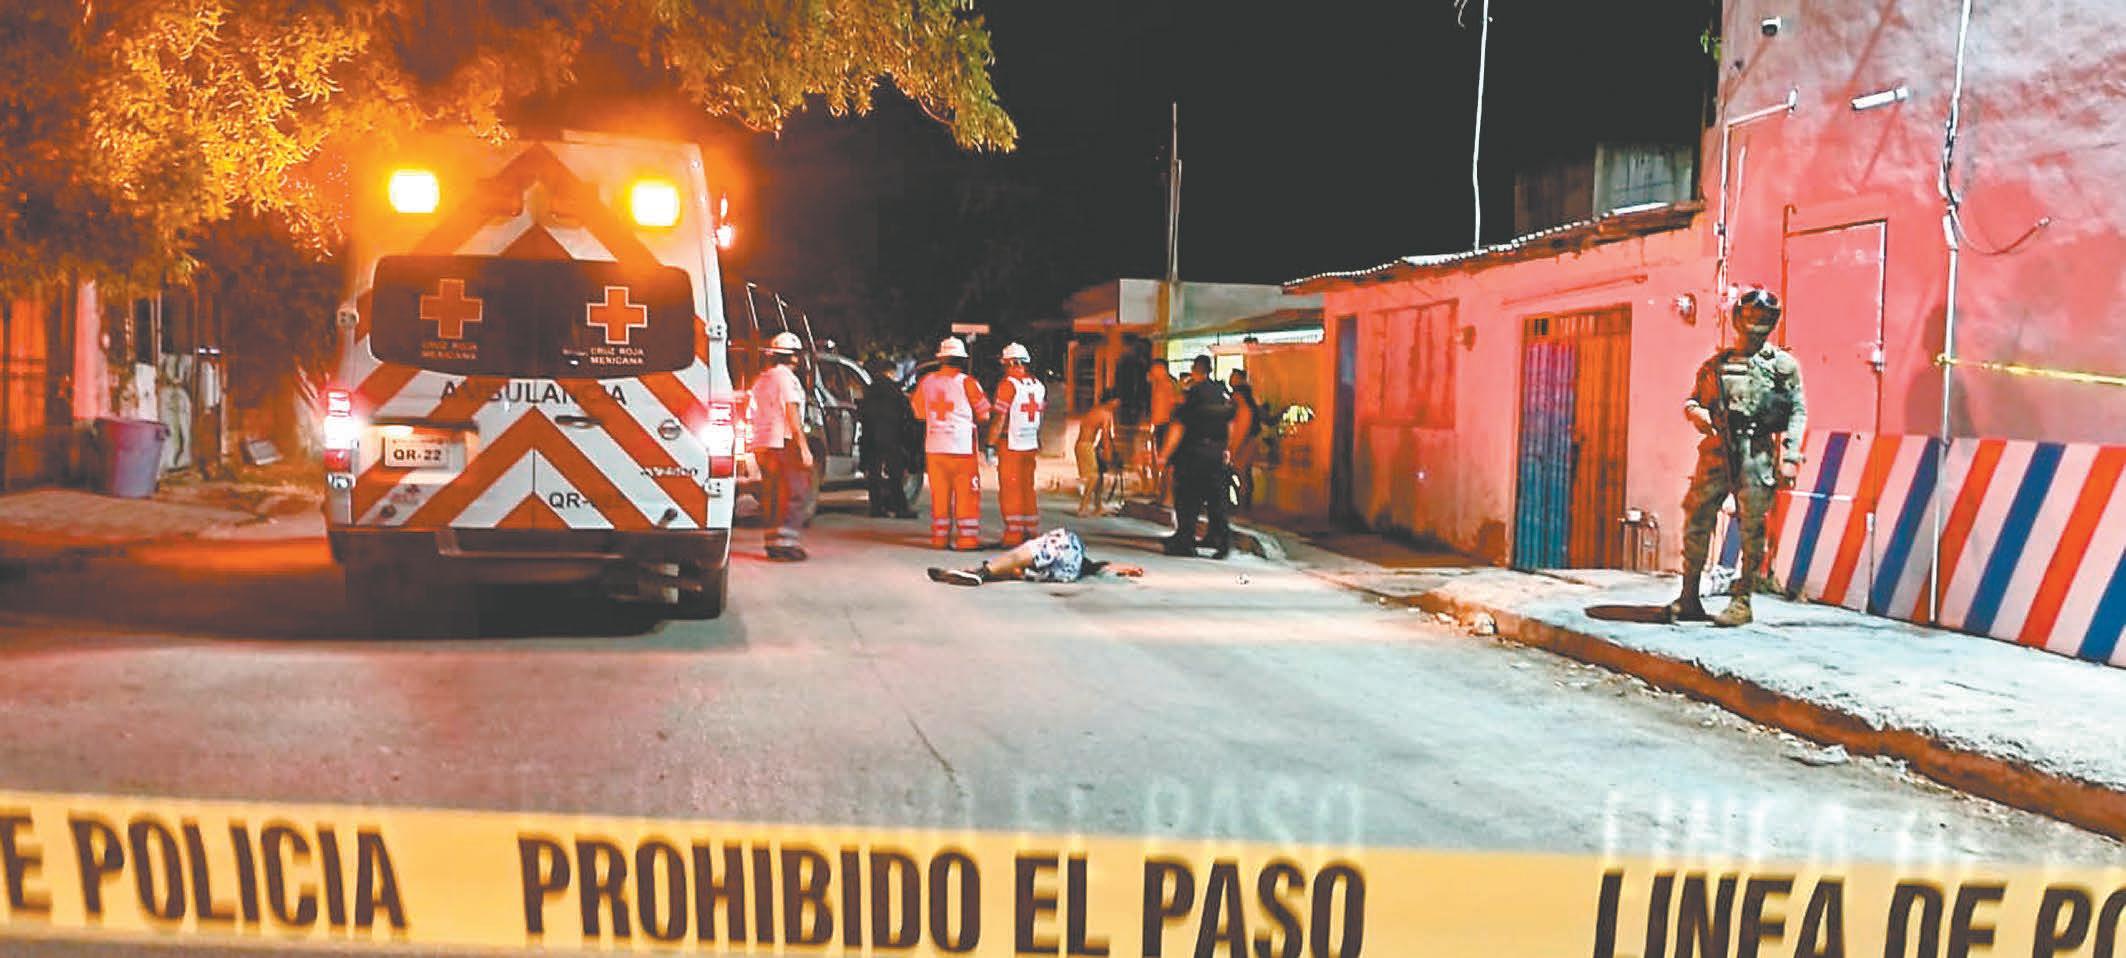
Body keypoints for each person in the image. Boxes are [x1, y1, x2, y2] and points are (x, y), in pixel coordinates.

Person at [1669, 286, 1808, 627]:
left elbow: (1797, 410)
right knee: (1698, 519)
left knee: (1752, 527)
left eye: (1763, 317)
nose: (1756, 322)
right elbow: (1693, 401)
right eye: (1751, 315)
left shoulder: (1782, 365)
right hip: (1717, 451)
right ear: (1738, 318)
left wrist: (1791, 455)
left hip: (1756, 453)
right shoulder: (1717, 365)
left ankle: (1742, 601)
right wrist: (1698, 415)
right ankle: (1689, 597)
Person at [911, 336, 992, 550]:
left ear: (941, 359)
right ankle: (967, 538)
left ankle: (940, 538)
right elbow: (984, 414)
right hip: (962, 448)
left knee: (940, 494)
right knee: (966, 495)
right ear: (962, 359)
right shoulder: (968, 383)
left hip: (935, 447)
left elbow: (918, 413)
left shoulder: (926, 381)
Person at [1158, 355, 1237, 559]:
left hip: (1192, 454)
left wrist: (1164, 455)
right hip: (1216, 454)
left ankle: (1185, 541)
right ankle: (1222, 542)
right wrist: (1227, 448)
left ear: (1195, 369)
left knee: (1188, 500)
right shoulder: (1221, 393)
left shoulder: (1193, 394)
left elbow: (1178, 426)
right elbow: (1230, 425)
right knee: (1217, 500)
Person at [749, 331, 814, 561]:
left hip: (763, 444)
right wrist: (803, 447)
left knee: (773, 496)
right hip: (782, 443)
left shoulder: (762, 379)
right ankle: (786, 544)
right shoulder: (786, 378)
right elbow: (791, 412)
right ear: (794, 356)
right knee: (794, 492)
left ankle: (773, 543)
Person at [925, 527, 1144, 586]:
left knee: (1018, 557)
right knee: (1017, 568)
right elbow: (1100, 566)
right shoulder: (1078, 566)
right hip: (1066, 573)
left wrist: (1124, 568)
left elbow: (1100, 565)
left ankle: (981, 572)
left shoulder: (1064, 542)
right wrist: (1126, 569)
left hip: (1063, 547)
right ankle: (978, 573)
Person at [990, 343, 1046, 546]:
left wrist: (990, 443)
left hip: (1011, 444)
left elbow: (1000, 418)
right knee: (1027, 488)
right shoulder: (1038, 385)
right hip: (1030, 443)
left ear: (1012, 363)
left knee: (1010, 489)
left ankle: (1013, 534)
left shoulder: (1008, 385)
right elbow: (1040, 416)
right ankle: (1030, 530)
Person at [859, 360, 918, 519]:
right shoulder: (895, 390)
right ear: (890, 372)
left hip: (871, 436)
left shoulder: (870, 390)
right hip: (891, 436)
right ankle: (899, 507)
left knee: (874, 473)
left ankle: (876, 507)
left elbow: (862, 412)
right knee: (895, 474)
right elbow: (906, 414)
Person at [1075, 389, 1121, 517]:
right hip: (1086, 446)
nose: (1118, 404)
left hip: (1085, 445)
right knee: (1093, 477)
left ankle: (1098, 506)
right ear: (1111, 401)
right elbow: (1106, 436)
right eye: (1117, 401)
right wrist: (1108, 454)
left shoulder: (1096, 410)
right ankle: (1083, 507)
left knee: (1099, 477)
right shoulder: (1105, 414)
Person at [1144, 360, 1180, 501]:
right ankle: (1162, 493)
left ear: (1161, 369)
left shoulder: (1168, 384)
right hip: (1159, 425)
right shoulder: (1157, 384)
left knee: (1167, 463)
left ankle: (1168, 496)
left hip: (1167, 425)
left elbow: (1174, 404)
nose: (1152, 372)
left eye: (1154, 369)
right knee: (1161, 463)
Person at [1227, 368, 1263, 511]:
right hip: (1244, 444)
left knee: (1242, 475)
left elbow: (1241, 431)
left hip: (1244, 445)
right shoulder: (1242, 407)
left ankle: (1243, 505)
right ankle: (1241, 504)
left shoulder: (1244, 409)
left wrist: (1233, 448)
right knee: (1242, 475)